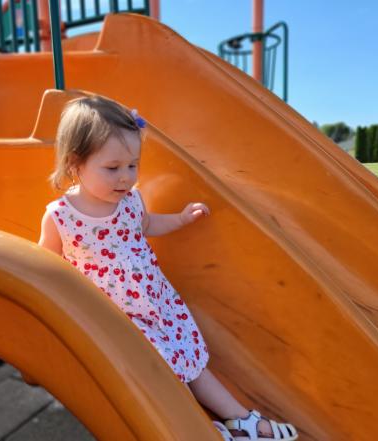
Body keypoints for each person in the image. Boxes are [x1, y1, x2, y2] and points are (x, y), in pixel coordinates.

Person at [38, 95, 298, 441]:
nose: (125, 177)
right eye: (112, 168)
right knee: (162, 370)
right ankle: (202, 430)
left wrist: (180, 219)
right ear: (75, 165)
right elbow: (45, 266)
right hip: (116, 317)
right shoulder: (61, 216)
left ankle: (244, 421)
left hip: (157, 302)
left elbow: (146, 226)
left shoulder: (131, 201)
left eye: (133, 165)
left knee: (192, 362)